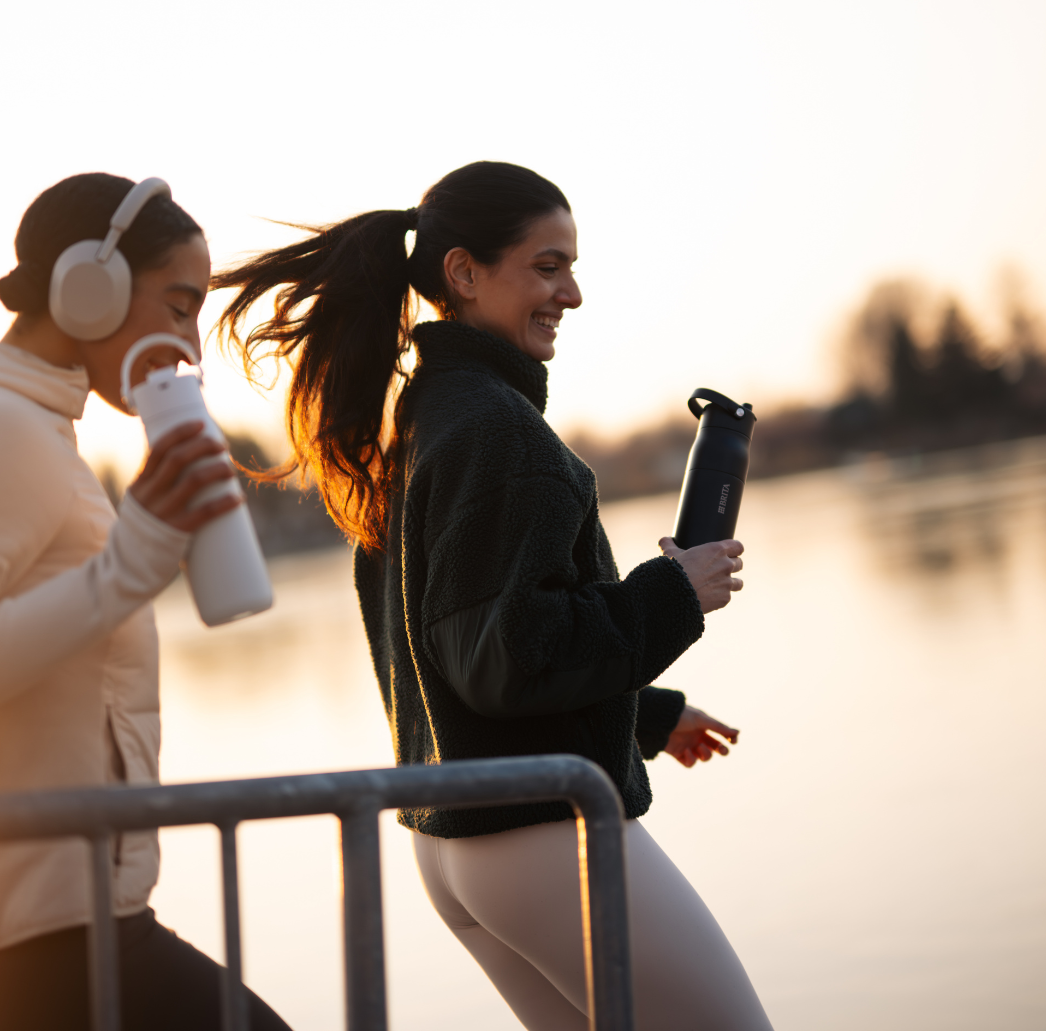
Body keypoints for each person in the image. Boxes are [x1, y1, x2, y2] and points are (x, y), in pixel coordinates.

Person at [213, 161, 773, 1030]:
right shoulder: (496, 431)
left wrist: (649, 716)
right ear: (464, 275)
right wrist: (676, 594)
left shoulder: (426, 419)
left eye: (572, 267)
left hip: (461, 846)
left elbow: (453, 640)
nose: (574, 293)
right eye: (548, 267)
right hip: (540, 833)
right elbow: (506, 659)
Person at [0, 173, 292, 1031]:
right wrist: (131, 562)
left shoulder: (28, 427)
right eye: (178, 305)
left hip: (43, 922)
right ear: (94, 287)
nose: (192, 345)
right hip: (31, 940)